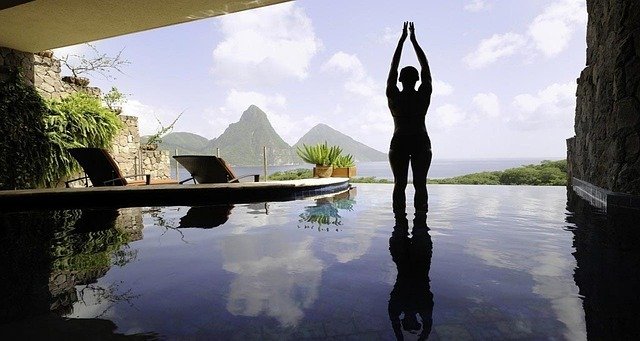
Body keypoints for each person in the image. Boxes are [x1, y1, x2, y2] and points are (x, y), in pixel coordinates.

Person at [386, 21, 433, 229]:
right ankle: (421, 226)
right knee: (420, 184)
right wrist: (414, 41)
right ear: (416, 79)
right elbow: (426, 67)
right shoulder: (423, 95)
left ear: (400, 79)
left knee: (400, 185)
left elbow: (392, 68)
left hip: (399, 142)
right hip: (421, 141)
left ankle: (399, 225)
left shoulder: (393, 95)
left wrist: (402, 41)